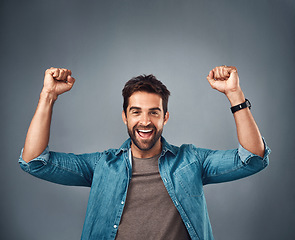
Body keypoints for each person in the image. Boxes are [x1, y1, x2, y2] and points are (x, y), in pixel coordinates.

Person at [19, 66, 270, 240]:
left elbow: (253, 159)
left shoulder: (191, 161)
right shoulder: (102, 166)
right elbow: (35, 162)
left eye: (154, 112)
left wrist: (234, 94)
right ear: (124, 117)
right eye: (136, 112)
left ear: (165, 117)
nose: (145, 121)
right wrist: (48, 95)